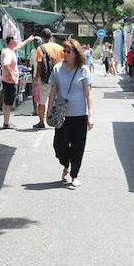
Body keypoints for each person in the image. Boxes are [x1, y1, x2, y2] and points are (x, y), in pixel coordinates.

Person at [48, 38, 95, 187]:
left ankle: (74, 175)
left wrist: (91, 116)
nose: (65, 53)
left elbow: (89, 94)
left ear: (76, 53)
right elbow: (53, 92)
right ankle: (65, 163)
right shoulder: (57, 69)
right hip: (62, 116)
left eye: (69, 51)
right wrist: (48, 112)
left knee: (78, 146)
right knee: (59, 146)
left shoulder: (83, 70)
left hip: (80, 115)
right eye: (64, 51)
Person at [33, 29, 65, 129]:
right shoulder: (60, 47)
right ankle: (59, 120)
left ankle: (41, 122)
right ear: (51, 36)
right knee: (58, 101)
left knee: (41, 102)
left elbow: (39, 66)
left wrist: (36, 79)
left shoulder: (40, 48)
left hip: (46, 79)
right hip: (59, 78)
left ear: (42, 37)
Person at [0, 37, 21, 129]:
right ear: (11, 41)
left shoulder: (9, 50)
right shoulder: (9, 52)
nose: (17, 41)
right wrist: (11, 76)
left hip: (8, 81)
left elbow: (20, 45)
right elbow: (6, 64)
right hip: (9, 82)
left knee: (7, 102)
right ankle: (6, 123)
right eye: (15, 39)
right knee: (8, 103)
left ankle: (7, 121)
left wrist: (29, 40)